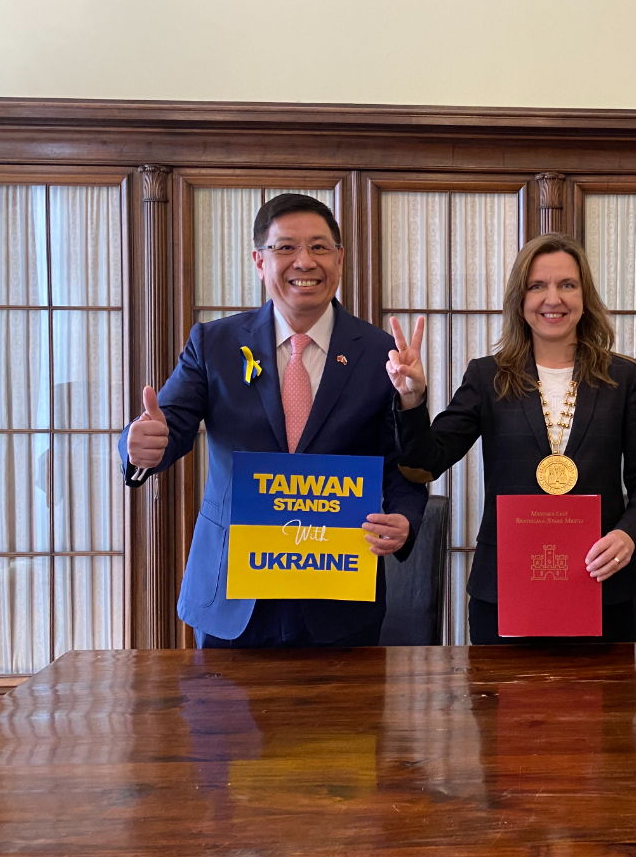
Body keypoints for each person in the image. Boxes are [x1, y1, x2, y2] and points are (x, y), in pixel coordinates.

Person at [118, 193, 427, 648]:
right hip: (233, 592)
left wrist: (403, 517)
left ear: (339, 260)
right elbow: (169, 427)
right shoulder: (214, 343)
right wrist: (140, 446)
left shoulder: (381, 353)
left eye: (319, 247)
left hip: (337, 597)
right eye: (285, 248)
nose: (305, 261)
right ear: (259, 261)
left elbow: (402, 463)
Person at [386, 234, 636, 644]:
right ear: (520, 299)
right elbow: (426, 462)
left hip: (600, 584)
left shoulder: (622, 378)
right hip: (505, 588)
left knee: (605, 690)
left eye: (567, 285)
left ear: (585, 296)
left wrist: (628, 535)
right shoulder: (487, 377)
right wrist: (411, 400)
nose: (553, 298)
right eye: (537, 286)